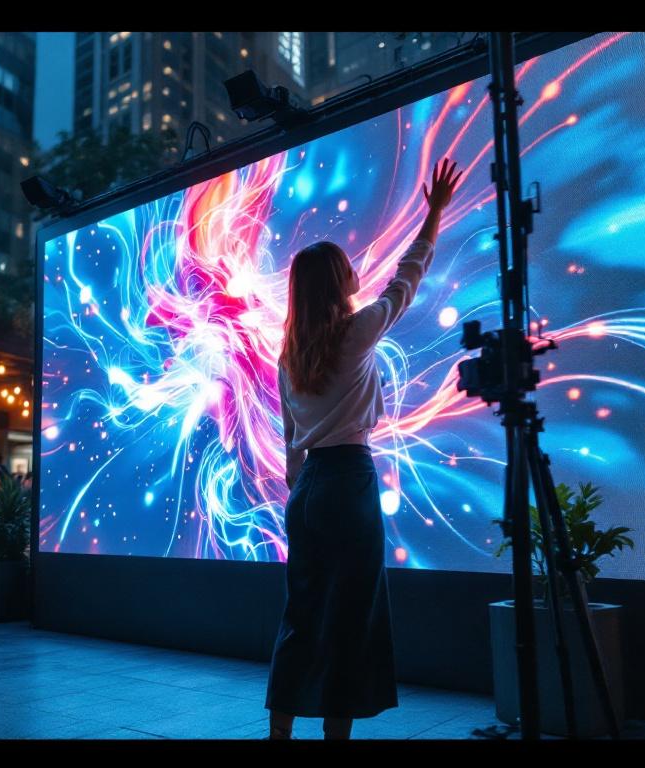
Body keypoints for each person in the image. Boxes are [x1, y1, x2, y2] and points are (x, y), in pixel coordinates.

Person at [264, 158, 461, 740]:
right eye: (347, 270)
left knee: (300, 617)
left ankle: (278, 737)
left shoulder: (288, 358)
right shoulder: (356, 333)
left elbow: (290, 446)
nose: (357, 273)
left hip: (307, 492)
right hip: (349, 483)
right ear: (338, 283)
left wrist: (295, 499)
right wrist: (433, 214)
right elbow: (407, 279)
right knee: (350, 619)